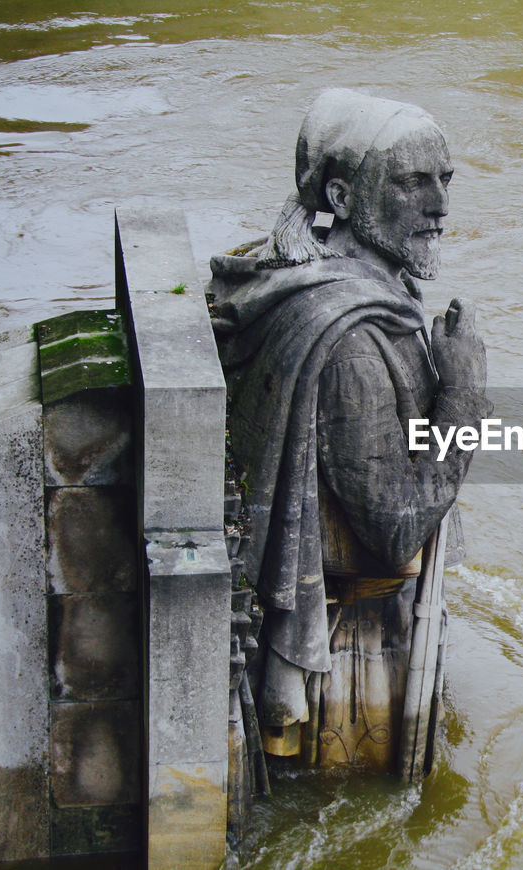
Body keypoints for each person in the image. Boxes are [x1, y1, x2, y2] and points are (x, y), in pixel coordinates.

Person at [208, 89, 489, 771]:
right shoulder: (355, 345)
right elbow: (395, 527)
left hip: (351, 631)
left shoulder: (308, 279)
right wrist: (466, 396)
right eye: (413, 182)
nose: (440, 206)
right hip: (352, 667)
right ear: (341, 191)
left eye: (444, 179)